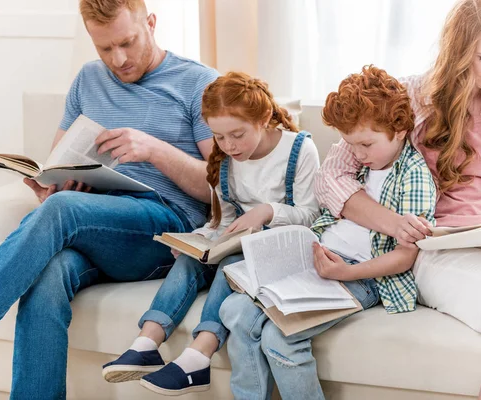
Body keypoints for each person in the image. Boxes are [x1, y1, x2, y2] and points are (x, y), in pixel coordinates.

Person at [0, 0, 219, 398]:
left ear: (152, 23)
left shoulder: (199, 84)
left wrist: (154, 150)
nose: (118, 59)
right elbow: (60, 165)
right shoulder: (87, 81)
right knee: (49, 273)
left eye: (127, 42)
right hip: (99, 227)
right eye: (105, 49)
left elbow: (223, 192)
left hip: (167, 229)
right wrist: (51, 186)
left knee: (62, 213)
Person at [315, 1, 481, 399]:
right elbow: (330, 177)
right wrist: (394, 224)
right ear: (458, 51)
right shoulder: (411, 97)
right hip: (442, 251)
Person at [219, 65, 437, 400]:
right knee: (234, 313)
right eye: (351, 144)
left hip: (359, 275)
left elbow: (405, 256)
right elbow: (328, 189)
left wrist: (346, 271)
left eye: (366, 144)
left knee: (281, 338)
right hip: (314, 261)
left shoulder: (414, 175)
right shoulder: (355, 159)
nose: (359, 154)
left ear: (400, 129)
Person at [102, 71, 321, 395]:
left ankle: (198, 356)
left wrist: (268, 211)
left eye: (237, 134)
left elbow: (313, 216)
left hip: (283, 252)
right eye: (219, 137)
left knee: (230, 267)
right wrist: (200, 240)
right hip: (238, 245)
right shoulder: (225, 162)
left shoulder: (299, 150)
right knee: (190, 262)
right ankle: (147, 342)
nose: (229, 145)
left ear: (262, 119)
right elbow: (224, 220)